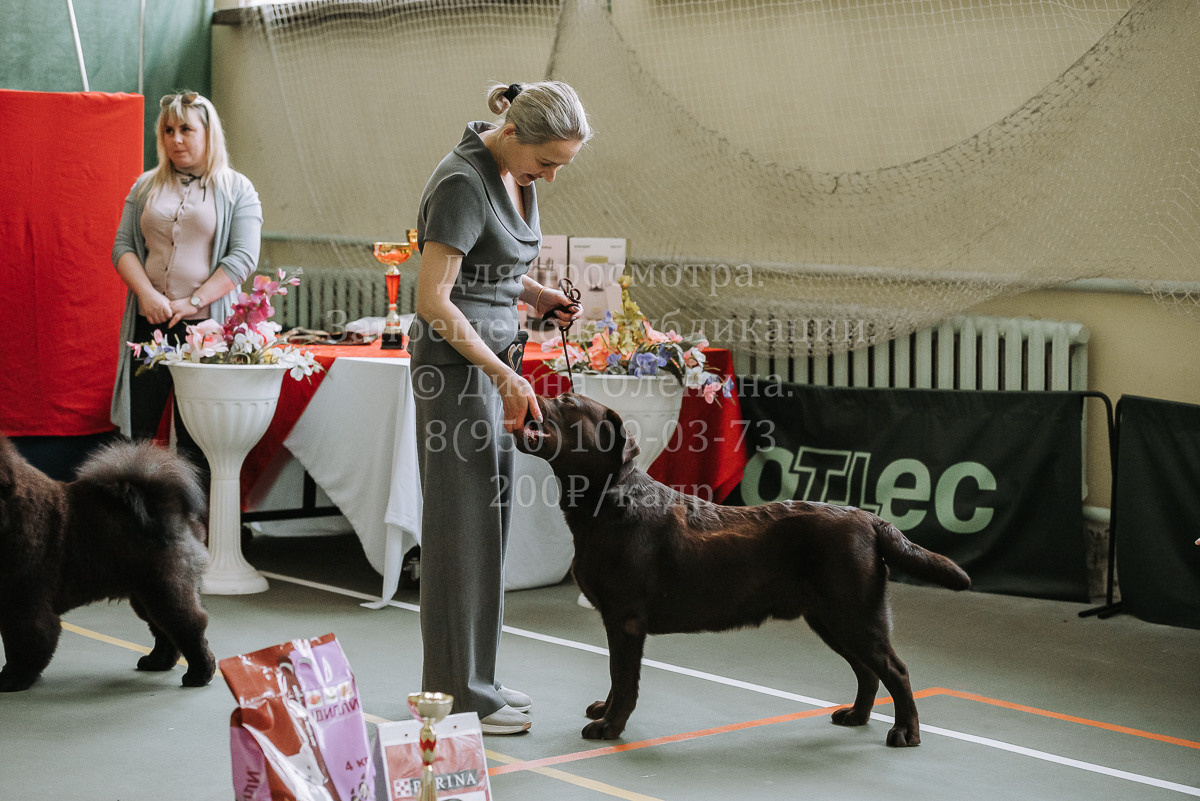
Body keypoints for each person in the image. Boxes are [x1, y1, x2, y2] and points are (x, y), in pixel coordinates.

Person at [412, 81, 589, 735]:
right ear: (512, 131)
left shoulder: (516, 173)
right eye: (546, 162)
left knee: (489, 525)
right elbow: (434, 299)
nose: (550, 176)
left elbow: (492, 270)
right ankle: (455, 692)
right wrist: (503, 375)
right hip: (456, 372)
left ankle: (476, 677)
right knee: (460, 530)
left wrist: (538, 297)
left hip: (496, 362)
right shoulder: (462, 181)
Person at [109, 91, 263, 463]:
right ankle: (133, 503)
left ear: (209, 134)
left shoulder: (237, 188)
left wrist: (193, 302)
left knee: (196, 441)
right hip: (149, 324)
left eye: (186, 130)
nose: (175, 139)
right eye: (168, 130)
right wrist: (147, 296)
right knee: (136, 434)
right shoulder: (145, 186)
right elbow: (122, 247)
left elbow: (243, 258)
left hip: (205, 332)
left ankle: (192, 504)